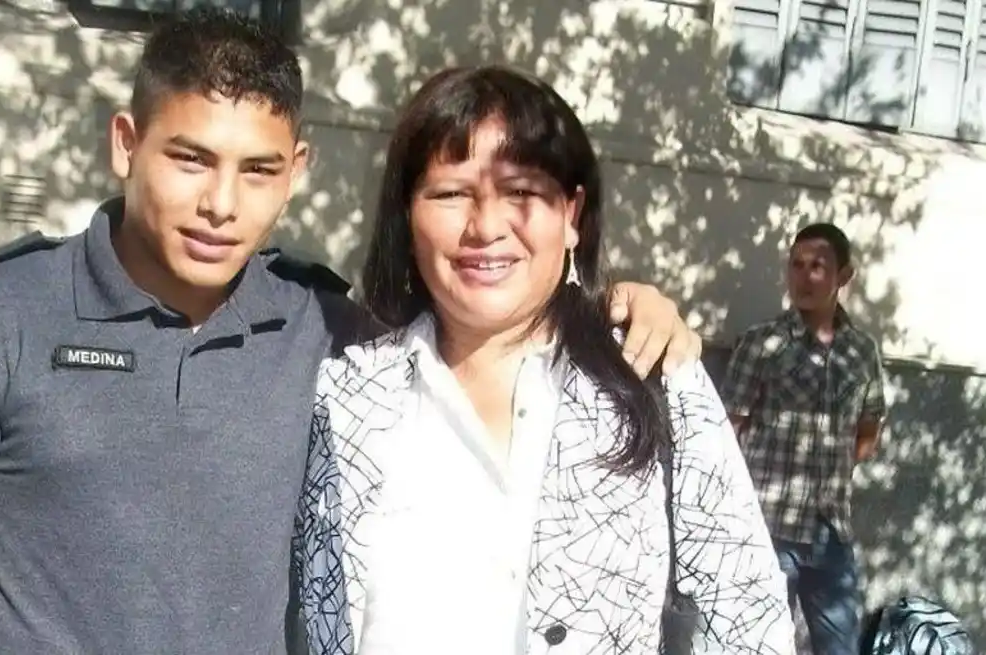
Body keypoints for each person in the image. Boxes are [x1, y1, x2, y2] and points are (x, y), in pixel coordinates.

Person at [0, 10, 703, 654]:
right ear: (126, 144)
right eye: (190, 159)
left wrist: (616, 303)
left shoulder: (323, 328)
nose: (222, 204)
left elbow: (485, 316)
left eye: (257, 171)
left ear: (295, 172)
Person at [293, 65, 795, 655]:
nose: (485, 227)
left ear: (572, 215)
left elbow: (746, 615)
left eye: (522, 192)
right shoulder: (343, 396)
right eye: (451, 193)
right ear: (408, 215)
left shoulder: (651, 375)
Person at [722, 223, 888, 655]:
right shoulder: (763, 344)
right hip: (768, 530)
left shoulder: (862, 351)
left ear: (843, 276)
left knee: (841, 648)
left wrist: (833, 471)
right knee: (754, 645)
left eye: (818, 266)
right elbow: (727, 432)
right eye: (797, 265)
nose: (805, 277)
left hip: (831, 533)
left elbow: (869, 425)